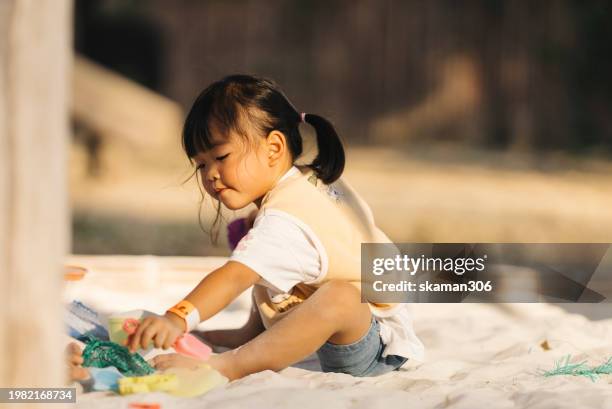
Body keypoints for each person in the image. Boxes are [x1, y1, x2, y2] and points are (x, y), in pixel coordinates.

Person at [70, 74, 424, 381]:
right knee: (262, 246)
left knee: (338, 295)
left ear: (274, 148)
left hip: (373, 344)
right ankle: (249, 333)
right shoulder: (305, 182)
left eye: (221, 157)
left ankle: (229, 365)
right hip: (359, 308)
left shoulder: (286, 220)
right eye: (201, 165)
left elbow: (234, 276)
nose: (210, 174)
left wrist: (177, 318)